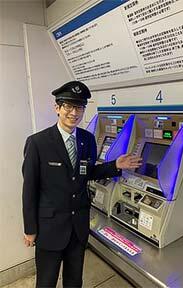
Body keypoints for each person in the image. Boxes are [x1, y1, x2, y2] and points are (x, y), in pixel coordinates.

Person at [22, 81, 142, 288]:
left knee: (74, 281)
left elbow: (86, 173)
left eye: (79, 107)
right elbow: (29, 190)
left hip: (78, 227)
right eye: (68, 106)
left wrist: (114, 165)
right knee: (46, 282)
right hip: (49, 228)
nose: (73, 113)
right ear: (57, 108)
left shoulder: (86, 139)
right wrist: (30, 229)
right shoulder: (38, 143)